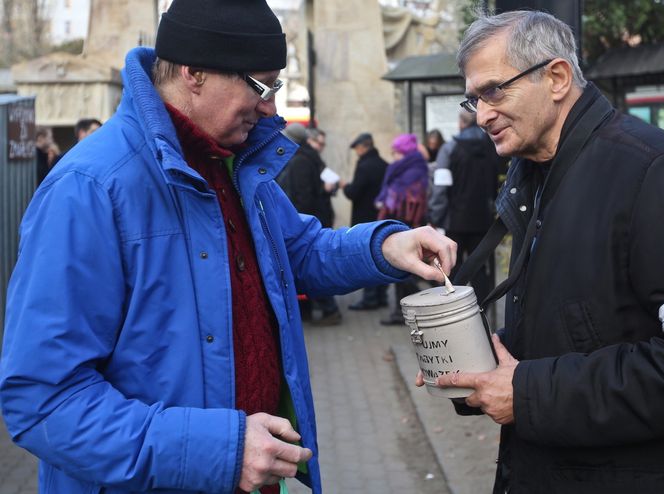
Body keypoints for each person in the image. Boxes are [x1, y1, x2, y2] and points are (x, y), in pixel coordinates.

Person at [0, 1, 457, 493]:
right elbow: (44, 400)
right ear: (194, 73)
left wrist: (384, 247)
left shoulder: (230, 162)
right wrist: (220, 451)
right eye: (261, 87)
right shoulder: (88, 187)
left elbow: (298, 250)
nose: (271, 109)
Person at [423, 10, 664, 494]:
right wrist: (477, 366)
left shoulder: (657, 171)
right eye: (474, 99)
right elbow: (581, 324)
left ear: (557, 78)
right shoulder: (538, 172)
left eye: (494, 91)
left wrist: (528, 393)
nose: (481, 115)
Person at [428, 110, 502, 302]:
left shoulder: (450, 148)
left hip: (455, 219)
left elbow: (441, 187)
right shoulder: (492, 146)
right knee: (479, 267)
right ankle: (483, 307)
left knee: (452, 264)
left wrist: (436, 216)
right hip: (483, 218)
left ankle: (453, 307)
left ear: (461, 123)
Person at [277, 125, 342, 325]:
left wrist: (296, 223)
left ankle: (330, 310)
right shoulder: (309, 156)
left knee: (309, 267)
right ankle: (305, 311)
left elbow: (304, 196)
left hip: (304, 221)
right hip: (314, 217)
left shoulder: (300, 160)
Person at [375, 133, 429, 325]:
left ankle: (418, 305)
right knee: (399, 268)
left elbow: (410, 197)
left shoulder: (414, 169)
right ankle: (402, 311)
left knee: (402, 267)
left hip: (406, 222)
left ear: (404, 152)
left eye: (396, 152)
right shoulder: (402, 167)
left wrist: (387, 201)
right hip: (399, 221)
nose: (394, 156)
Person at [340, 132, 390, 310]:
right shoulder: (384, 164)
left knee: (367, 259)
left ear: (363, 147)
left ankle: (370, 299)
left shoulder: (364, 166)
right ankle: (382, 296)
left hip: (364, 220)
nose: (356, 152)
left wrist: (345, 186)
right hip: (382, 218)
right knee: (383, 257)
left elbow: (353, 193)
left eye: (357, 148)